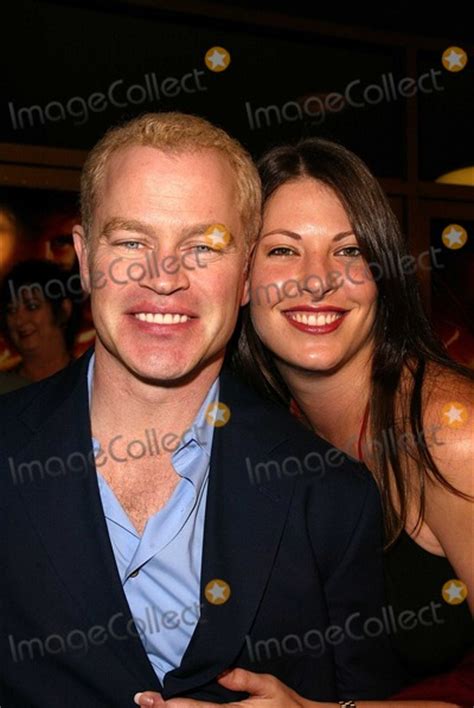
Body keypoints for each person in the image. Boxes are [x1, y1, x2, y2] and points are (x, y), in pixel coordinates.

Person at [0, 114, 406, 707]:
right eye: (132, 241)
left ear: (245, 276)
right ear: (85, 260)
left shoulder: (332, 497)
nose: (163, 278)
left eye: (204, 246)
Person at [140, 137, 472, 708]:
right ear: (240, 278)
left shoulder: (451, 432)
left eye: (348, 251)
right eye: (283, 251)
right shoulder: (259, 428)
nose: (317, 280)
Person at [0, 259, 76, 393]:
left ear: (64, 309)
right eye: (11, 310)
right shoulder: (5, 389)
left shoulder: (90, 380)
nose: (19, 320)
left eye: (32, 306)